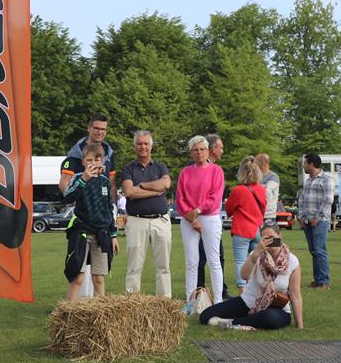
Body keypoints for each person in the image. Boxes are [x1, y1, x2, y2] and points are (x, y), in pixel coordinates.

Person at [200, 221, 304, 330]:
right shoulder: (256, 255)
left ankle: (233, 322)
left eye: (272, 237)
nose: (270, 241)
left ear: (280, 236)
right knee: (205, 316)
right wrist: (255, 255)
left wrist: (300, 326)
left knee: (270, 318)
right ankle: (247, 320)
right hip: (249, 302)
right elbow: (244, 276)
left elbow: (295, 295)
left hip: (277, 308)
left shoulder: (292, 260)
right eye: (266, 239)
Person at [62, 144, 119, 300]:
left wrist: (113, 235)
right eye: (89, 160)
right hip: (82, 232)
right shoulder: (77, 178)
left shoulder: (105, 181)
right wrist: (84, 179)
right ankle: (69, 311)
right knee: (77, 276)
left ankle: (99, 311)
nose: (93, 163)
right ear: (83, 162)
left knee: (99, 278)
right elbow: (68, 197)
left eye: (97, 159)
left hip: (101, 234)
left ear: (102, 161)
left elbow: (108, 209)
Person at [120, 130, 172, 297]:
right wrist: (155, 190)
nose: (143, 147)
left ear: (151, 146)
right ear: (135, 146)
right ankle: (132, 302)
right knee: (134, 266)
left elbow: (165, 184)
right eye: (139, 144)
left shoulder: (160, 166)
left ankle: (164, 301)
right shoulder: (128, 169)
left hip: (160, 221)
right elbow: (129, 192)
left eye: (146, 143)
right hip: (136, 221)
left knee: (163, 266)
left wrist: (141, 186)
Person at [177, 135, 225, 304]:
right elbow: (180, 198)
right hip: (188, 220)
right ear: (191, 152)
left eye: (202, 149)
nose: (199, 152)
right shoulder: (185, 172)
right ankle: (190, 302)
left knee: (214, 261)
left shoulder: (216, 171)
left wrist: (197, 210)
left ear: (207, 150)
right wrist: (192, 218)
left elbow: (215, 197)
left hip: (209, 218)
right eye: (195, 150)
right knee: (191, 262)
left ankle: (218, 301)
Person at [225, 157, 266, 294]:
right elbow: (263, 209)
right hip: (256, 229)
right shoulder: (261, 189)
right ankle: (255, 290)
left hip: (242, 230)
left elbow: (229, 209)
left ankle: (242, 292)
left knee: (241, 261)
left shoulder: (238, 190)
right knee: (256, 261)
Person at [197, 133, 229, 300]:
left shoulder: (216, 170)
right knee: (200, 257)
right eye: (220, 147)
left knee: (217, 257)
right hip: (201, 218)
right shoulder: (198, 169)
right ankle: (199, 291)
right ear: (213, 149)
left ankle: (220, 291)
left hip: (213, 218)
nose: (222, 151)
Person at [60, 113, 117, 202]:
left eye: (103, 129)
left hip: (103, 208)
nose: (100, 132)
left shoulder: (109, 153)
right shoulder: (76, 153)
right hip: (81, 207)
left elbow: (112, 185)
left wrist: (113, 204)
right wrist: (74, 203)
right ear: (89, 128)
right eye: (96, 128)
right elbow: (64, 183)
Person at [297, 153, 333, 289]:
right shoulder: (307, 181)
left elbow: (328, 199)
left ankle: (324, 281)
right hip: (307, 221)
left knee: (319, 250)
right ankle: (317, 280)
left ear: (311, 164)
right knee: (313, 250)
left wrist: (317, 217)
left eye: (305, 163)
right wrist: (301, 216)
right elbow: (302, 199)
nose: (303, 166)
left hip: (320, 220)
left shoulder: (327, 179)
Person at [255, 153, 280, 222]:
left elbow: (266, 193)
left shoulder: (273, 177)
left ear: (261, 163)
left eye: (255, 162)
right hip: (255, 214)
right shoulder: (255, 177)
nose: (254, 165)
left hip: (268, 216)